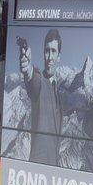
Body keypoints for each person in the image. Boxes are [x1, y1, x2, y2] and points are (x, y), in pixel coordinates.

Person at [19, 29, 63, 164]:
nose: (49, 57)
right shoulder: (40, 81)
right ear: (43, 53)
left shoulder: (57, 89)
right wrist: (28, 71)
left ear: (59, 56)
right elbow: (33, 81)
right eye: (46, 51)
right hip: (38, 171)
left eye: (53, 51)